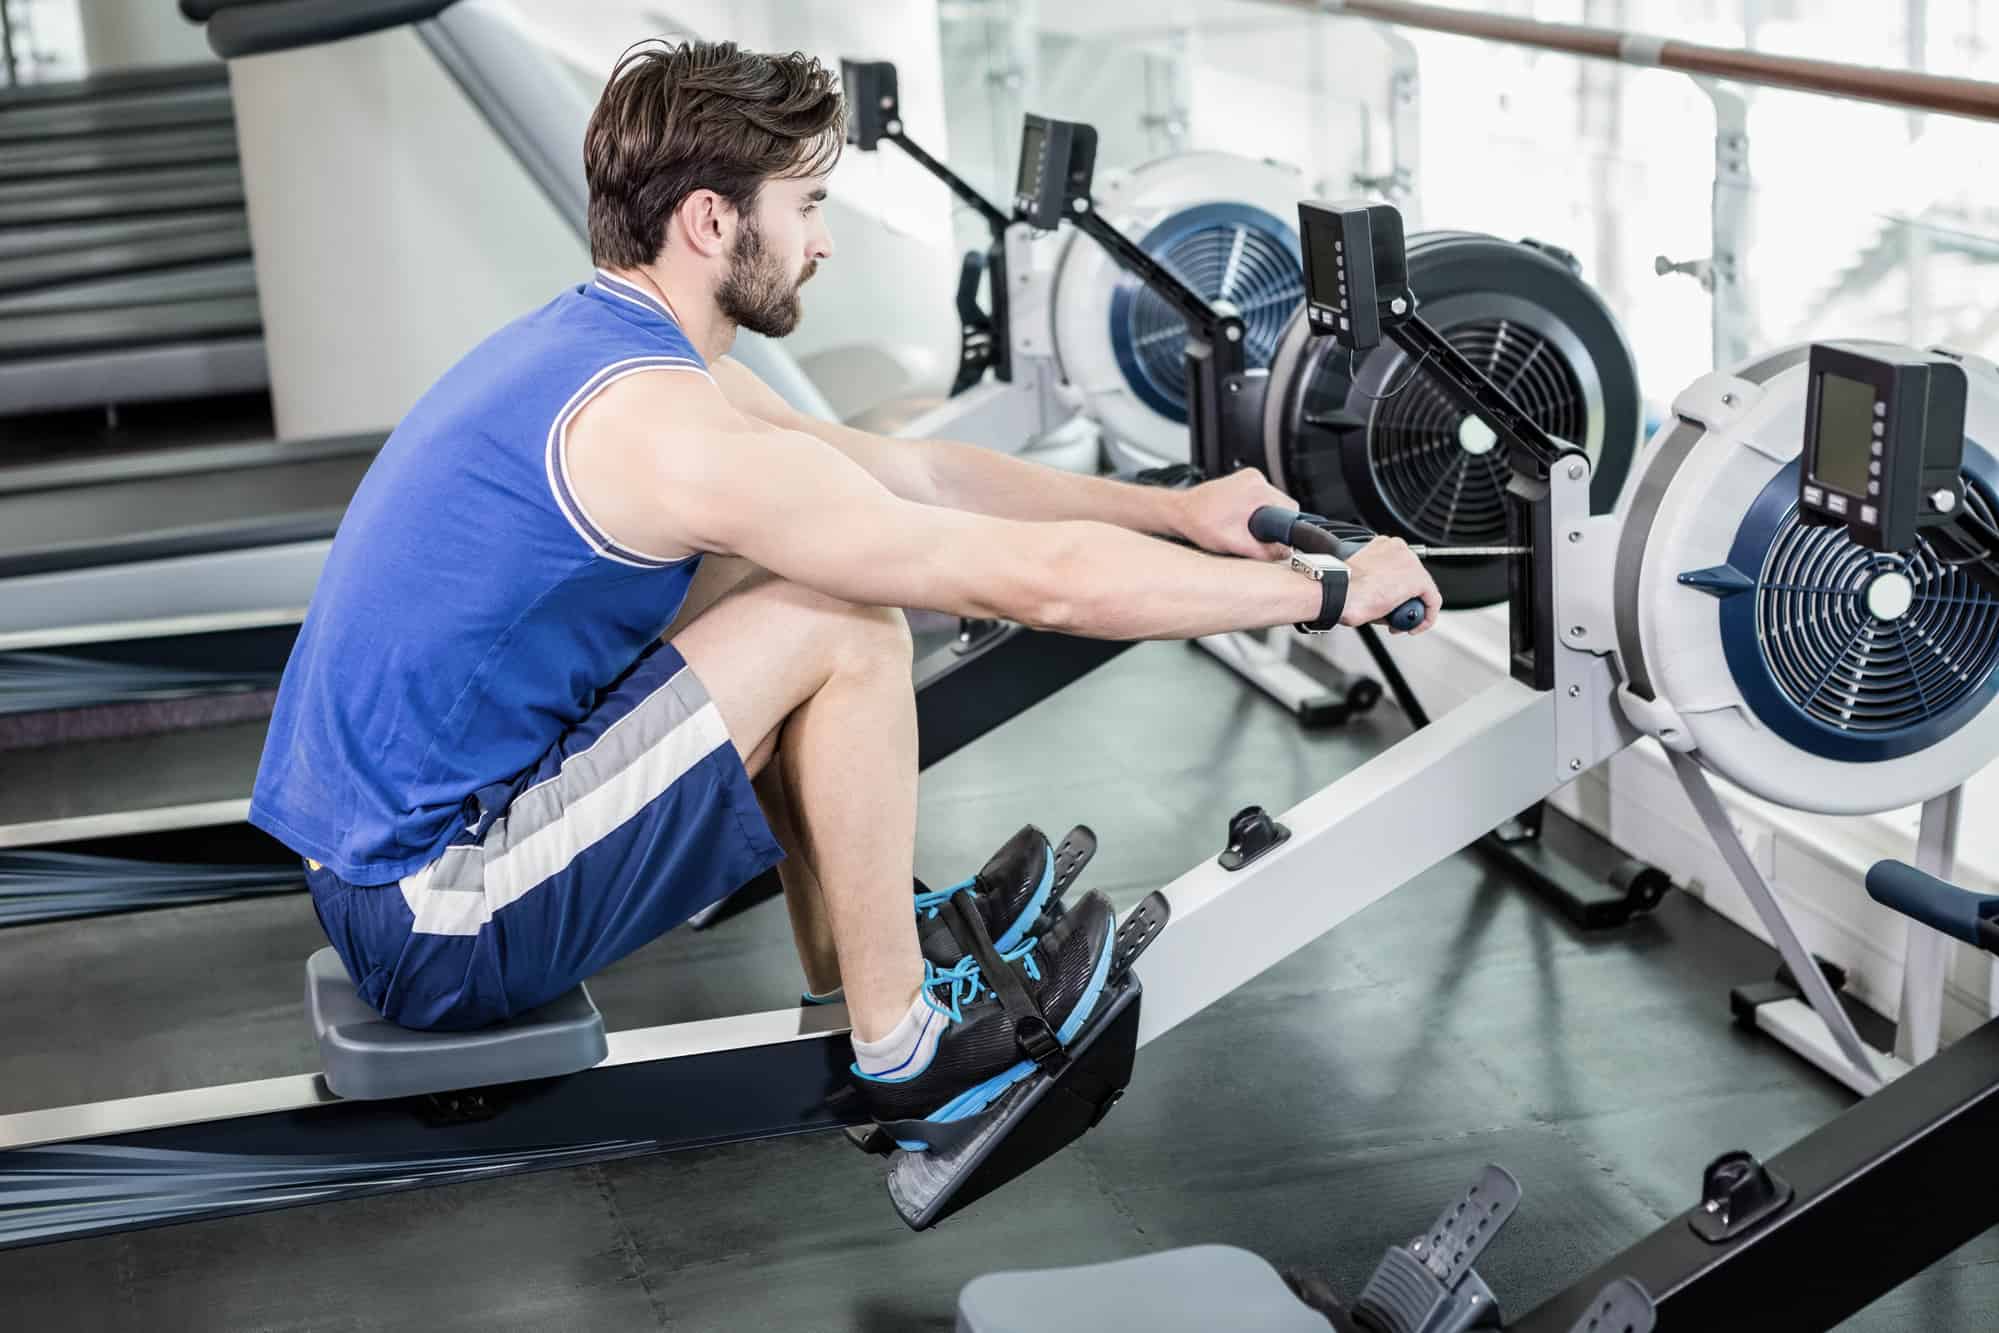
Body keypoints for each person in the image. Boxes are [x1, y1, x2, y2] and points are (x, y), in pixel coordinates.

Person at [249, 39, 1440, 1141]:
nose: (821, 240)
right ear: (714, 220)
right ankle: (903, 1041)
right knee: (840, 613)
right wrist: (1322, 591)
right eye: (805, 207)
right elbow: (1047, 587)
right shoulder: (665, 428)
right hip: (436, 915)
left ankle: (870, 972)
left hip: (390, 869)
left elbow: (908, 469)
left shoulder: (617, 350)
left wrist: (1170, 509)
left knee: (795, 569)